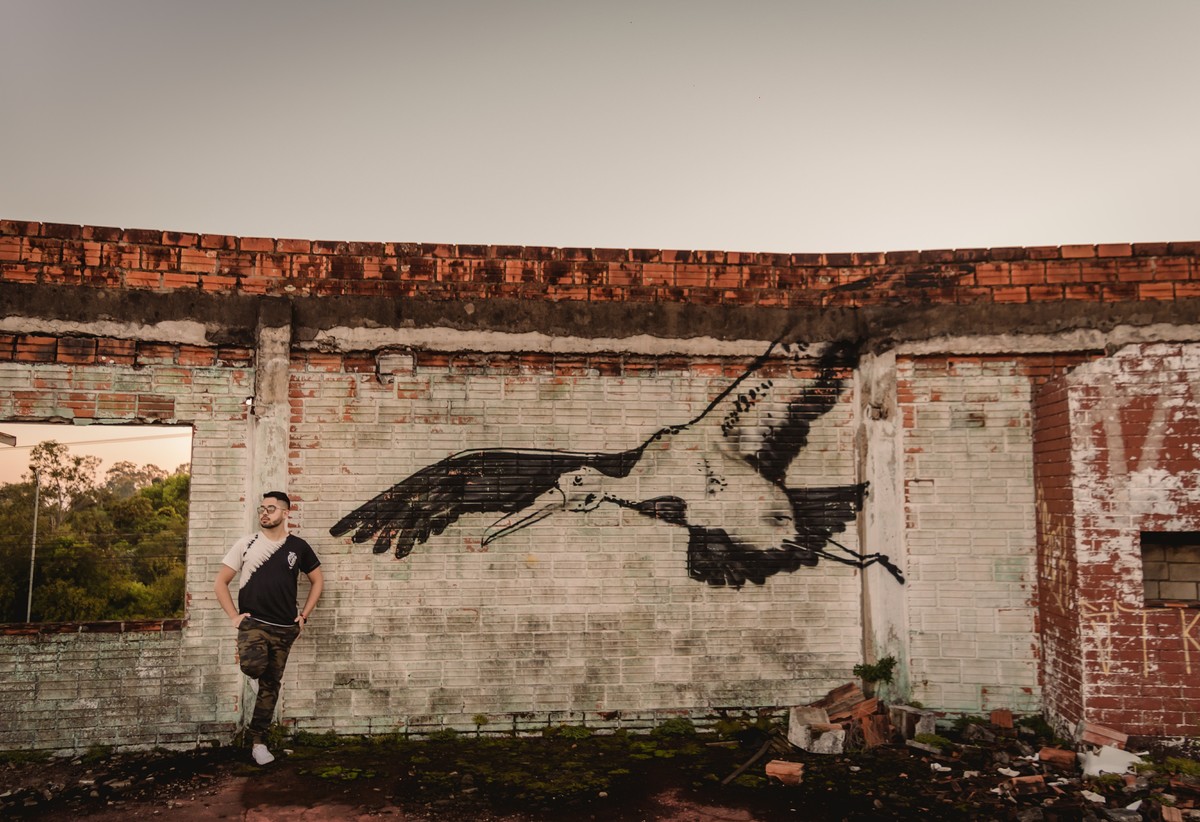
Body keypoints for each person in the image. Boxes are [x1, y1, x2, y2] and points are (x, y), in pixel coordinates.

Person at [214, 491, 324, 765]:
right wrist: (234, 616)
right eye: (262, 509)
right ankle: (255, 673)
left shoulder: (298, 547)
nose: (264, 513)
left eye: (271, 509)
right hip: (254, 623)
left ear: (285, 513)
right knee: (253, 667)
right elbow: (220, 583)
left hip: (285, 628)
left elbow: (317, 581)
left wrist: (304, 616)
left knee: (270, 686)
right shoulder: (246, 544)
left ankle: (258, 742)